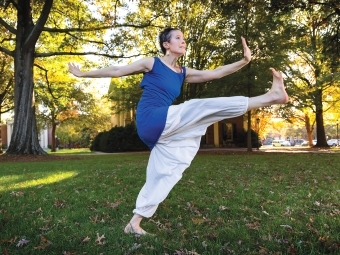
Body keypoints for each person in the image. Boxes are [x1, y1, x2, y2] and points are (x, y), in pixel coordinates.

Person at [68, 27, 289, 235]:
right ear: (166, 44)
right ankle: (271, 97)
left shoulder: (183, 72)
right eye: (178, 38)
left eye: (184, 39)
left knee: (167, 173)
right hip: (152, 119)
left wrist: (244, 61)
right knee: (199, 107)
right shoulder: (152, 63)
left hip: (163, 130)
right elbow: (117, 70)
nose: (183, 41)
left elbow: (216, 73)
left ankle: (134, 223)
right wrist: (83, 74)